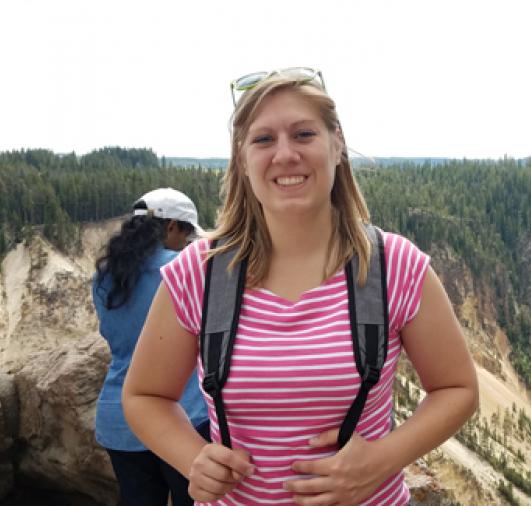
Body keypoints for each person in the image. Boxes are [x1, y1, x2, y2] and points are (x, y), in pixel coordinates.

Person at [122, 68, 479, 505]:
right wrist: (193, 458)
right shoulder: (199, 273)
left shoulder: (394, 266)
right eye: (264, 139)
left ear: (337, 144)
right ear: (242, 158)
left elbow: (457, 388)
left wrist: (381, 461)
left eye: (304, 134)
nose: (285, 154)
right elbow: (145, 396)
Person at [93, 187, 210, 505]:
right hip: (182, 415)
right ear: (172, 226)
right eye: (185, 234)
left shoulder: (105, 274)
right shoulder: (182, 269)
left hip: (118, 419)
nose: (186, 243)